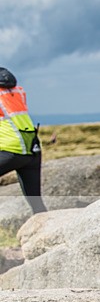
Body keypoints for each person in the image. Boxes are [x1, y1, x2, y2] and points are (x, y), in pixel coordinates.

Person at [0, 67, 46, 214]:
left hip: (10, 151)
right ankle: (46, 233)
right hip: (32, 150)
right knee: (36, 204)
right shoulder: (17, 91)